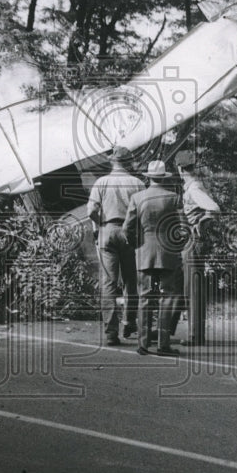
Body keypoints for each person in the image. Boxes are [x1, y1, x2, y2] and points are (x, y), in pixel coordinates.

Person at [123, 160, 185, 356]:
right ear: (163, 177)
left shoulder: (137, 198)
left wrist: (135, 244)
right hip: (167, 252)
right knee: (166, 297)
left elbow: (127, 228)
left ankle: (142, 344)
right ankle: (163, 344)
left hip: (144, 251)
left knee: (144, 297)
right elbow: (182, 229)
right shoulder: (174, 198)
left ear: (148, 177)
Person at [86, 145, 144, 345]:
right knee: (131, 281)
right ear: (128, 162)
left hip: (107, 230)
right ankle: (129, 321)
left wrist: (100, 223)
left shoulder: (101, 182)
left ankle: (111, 333)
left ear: (112, 161)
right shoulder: (137, 183)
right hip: (130, 233)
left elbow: (91, 210)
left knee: (109, 283)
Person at [172, 150, 220, 345]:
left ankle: (196, 335)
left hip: (194, 241)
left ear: (180, 168)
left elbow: (214, 208)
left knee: (193, 288)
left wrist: (201, 223)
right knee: (191, 287)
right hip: (194, 241)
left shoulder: (193, 189)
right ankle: (194, 333)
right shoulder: (193, 187)